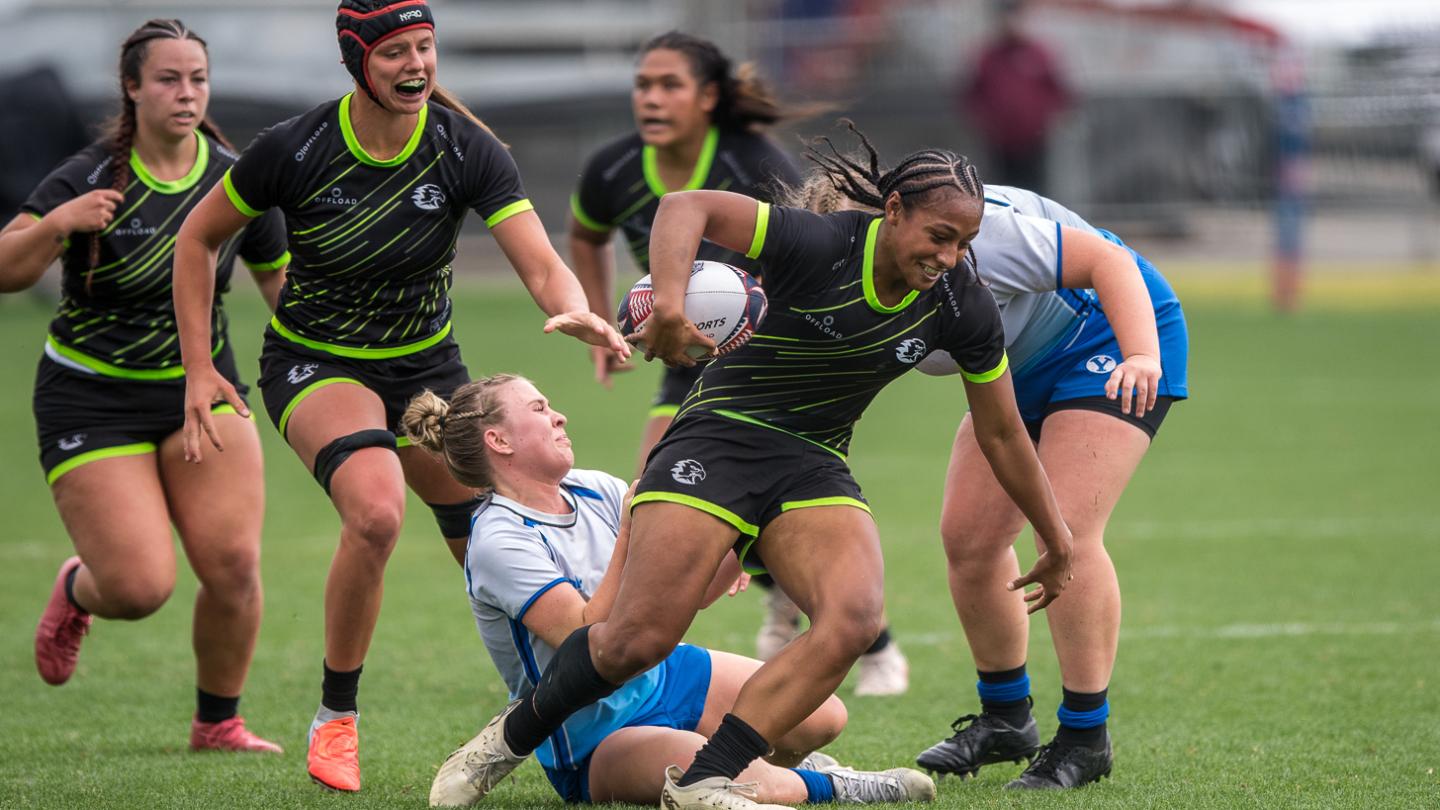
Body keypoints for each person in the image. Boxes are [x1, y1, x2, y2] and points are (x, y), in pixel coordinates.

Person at [428, 127, 1078, 810]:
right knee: (635, 641)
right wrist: (672, 303)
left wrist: (1055, 534)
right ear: (893, 213)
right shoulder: (822, 243)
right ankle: (506, 740)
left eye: (963, 243)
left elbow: (1003, 431)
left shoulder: (961, 304)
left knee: (854, 619)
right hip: (718, 440)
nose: (949, 257)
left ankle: (709, 776)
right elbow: (685, 207)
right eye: (939, 236)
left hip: (814, 461)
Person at [171, 0, 627, 793]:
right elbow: (199, 238)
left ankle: (546, 707)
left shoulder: (466, 149)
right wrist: (198, 366)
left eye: (426, 47)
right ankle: (335, 719)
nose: (416, 65)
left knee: (488, 534)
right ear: (357, 61)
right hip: (316, 365)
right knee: (377, 510)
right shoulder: (296, 147)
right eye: (395, 53)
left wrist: (574, 304)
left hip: (427, 369)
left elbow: (538, 259)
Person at [404, 375, 934, 807]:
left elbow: (692, 595)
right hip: (593, 734)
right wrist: (633, 532)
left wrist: (732, 545)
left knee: (822, 717)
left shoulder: (596, 488)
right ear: (499, 441)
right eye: (539, 408)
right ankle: (840, 786)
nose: (558, 415)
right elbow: (586, 640)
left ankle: (799, 766)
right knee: (738, 783)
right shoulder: (499, 537)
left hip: (665, 675)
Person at [570, 31, 909, 695]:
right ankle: (619, 644)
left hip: (766, 357)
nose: (652, 98)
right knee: (658, 489)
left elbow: (814, 247)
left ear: (710, 98)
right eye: (643, 85)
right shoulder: (612, 168)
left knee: (760, 497)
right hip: (682, 346)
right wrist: (598, 322)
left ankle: (876, 642)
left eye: (670, 85)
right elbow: (586, 235)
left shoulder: (752, 162)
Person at [0, 18, 289, 753]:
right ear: (132, 89)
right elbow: (8, 269)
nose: (185, 92)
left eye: (197, 78)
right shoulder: (90, 177)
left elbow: (284, 288)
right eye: (168, 79)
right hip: (91, 398)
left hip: (203, 388)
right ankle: (78, 588)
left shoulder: (234, 179)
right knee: (137, 588)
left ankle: (218, 722)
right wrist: (56, 224)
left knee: (234, 565)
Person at [958, 0, 1070, 195]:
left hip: (1035, 140)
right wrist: (986, 121)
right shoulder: (988, 56)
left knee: (1035, 191)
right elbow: (971, 92)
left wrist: (1044, 118)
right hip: (998, 142)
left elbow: (1059, 90)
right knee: (1002, 191)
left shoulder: (1039, 54)